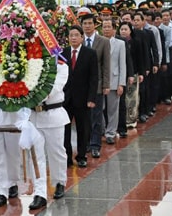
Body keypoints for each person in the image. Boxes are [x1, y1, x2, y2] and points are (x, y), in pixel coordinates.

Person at [28, 59, 70, 210]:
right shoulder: (28, 62)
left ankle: (59, 182)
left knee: (56, 152)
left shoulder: (60, 65)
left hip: (53, 114)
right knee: (35, 156)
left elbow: (53, 89)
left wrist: (30, 95)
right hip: (33, 117)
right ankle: (39, 193)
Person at [63, 25, 98, 168]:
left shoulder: (90, 53)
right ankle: (67, 157)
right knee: (65, 129)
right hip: (65, 99)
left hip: (83, 99)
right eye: (71, 35)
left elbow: (93, 78)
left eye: (76, 35)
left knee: (83, 129)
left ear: (82, 37)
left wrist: (91, 98)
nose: (73, 38)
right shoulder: (63, 53)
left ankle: (82, 156)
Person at [80, 12, 110, 159]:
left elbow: (106, 65)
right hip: (81, 87)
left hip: (97, 85)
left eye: (90, 23)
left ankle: (95, 145)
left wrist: (106, 84)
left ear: (94, 24)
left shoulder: (103, 41)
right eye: (84, 24)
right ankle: (84, 143)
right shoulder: (77, 40)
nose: (87, 26)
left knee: (96, 117)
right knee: (83, 117)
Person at [101, 19, 127, 144]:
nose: (106, 29)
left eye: (108, 26)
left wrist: (121, 83)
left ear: (114, 29)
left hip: (114, 80)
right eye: (104, 27)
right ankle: (101, 129)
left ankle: (110, 133)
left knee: (113, 109)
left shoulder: (120, 44)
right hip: (100, 81)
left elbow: (122, 64)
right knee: (99, 108)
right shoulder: (98, 42)